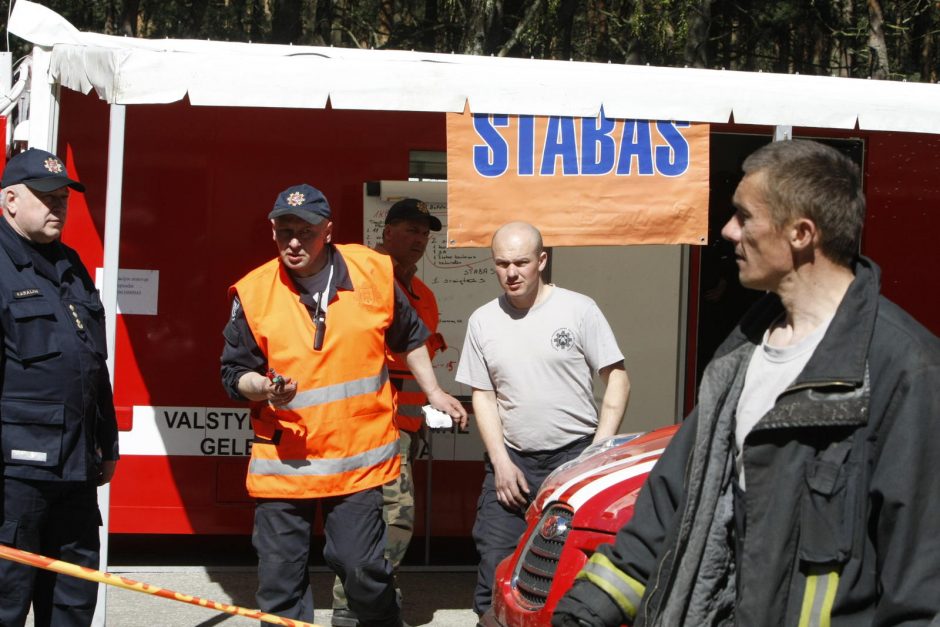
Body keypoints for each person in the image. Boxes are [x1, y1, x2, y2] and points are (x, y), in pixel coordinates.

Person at [553, 139, 940, 627]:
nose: (727, 230)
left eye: (744, 216)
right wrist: (584, 615)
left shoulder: (907, 371)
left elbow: (922, 588)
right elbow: (666, 511)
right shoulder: (740, 354)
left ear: (801, 233)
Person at [220, 184, 466, 627]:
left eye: (306, 232)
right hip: (284, 465)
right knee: (280, 588)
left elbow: (410, 338)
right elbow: (233, 375)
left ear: (328, 231)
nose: (294, 242)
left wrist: (434, 393)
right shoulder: (253, 292)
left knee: (364, 571)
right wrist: (263, 386)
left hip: (357, 463)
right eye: (284, 231)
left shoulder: (371, 271)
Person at [455, 221, 631, 618]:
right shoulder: (483, 320)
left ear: (542, 261)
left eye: (520, 262)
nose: (511, 273)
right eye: (502, 264)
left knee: (567, 572)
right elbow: (483, 394)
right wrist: (500, 461)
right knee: (494, 564)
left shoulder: (578, 309)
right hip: (512, 462)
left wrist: (597, 450)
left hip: (573, 458)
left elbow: (617, 379)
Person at [0, 148, 119, 626]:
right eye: (45, 197)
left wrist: (106, 443)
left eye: (63, 198)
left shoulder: (70, 264)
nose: (58, 207)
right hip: (15, 478)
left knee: (73, 599)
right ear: (9, 200)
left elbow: (93, 364)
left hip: (75, 468)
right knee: (6, 598)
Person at [330, 197, 448, 627]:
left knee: (385, 518)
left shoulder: (424, 295)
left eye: (424, 233)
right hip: (370, 424)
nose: (419, 239)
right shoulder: (358, 283)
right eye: (411, 230)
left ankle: (364, 600)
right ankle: (361, 604)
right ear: (387, 232)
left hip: (405, 427)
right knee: (390, 517)